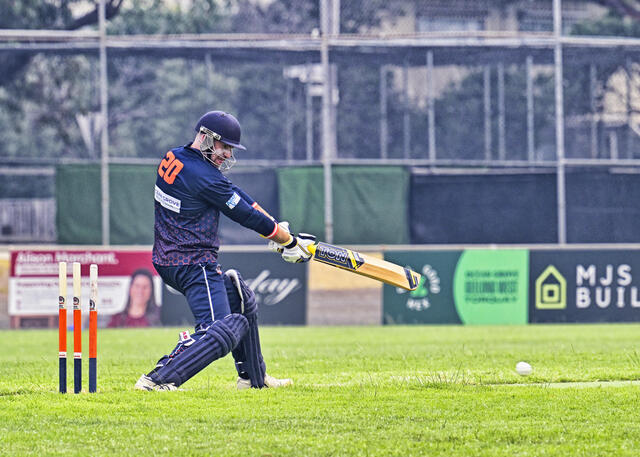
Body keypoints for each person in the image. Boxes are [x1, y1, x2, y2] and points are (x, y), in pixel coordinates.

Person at [135, 110, 315, 391]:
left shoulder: (177, 157)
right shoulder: (203, 176)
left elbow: (237, 194)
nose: (228, 154)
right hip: (192, 262)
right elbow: (245, 213)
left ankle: (254, 379)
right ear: (206, 137)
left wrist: (278, 230)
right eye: (224, 146)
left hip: (171, 257)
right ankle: (157, 379)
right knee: (221, 329)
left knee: (240, 297)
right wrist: (289, 242)